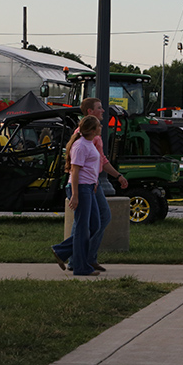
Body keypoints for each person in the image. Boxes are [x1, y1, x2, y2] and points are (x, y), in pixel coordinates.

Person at [67, 97, 128, 272]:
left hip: (91, 183)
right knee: (92, 221)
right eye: (100, 108)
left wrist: (118, 175)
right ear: (89, 112)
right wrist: (76, 192)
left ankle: (80, 257)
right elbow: (76, 166)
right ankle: (76, 257)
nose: (103, 111)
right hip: (87, 184)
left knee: (90, 222)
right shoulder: (85, 137)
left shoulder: (93, 137)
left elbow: (101, 160)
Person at [51, 115, 103, 276]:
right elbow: (75, 171)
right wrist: (75, 195)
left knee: (95, 225)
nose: (101, 127)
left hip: (89, 188)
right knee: (82, 228)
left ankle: (61, 250)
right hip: (80, 188)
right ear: (92, 130)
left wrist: (94, 183)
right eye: (99, 125)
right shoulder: (80, 146)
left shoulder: (88, 143)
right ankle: (81, 267)